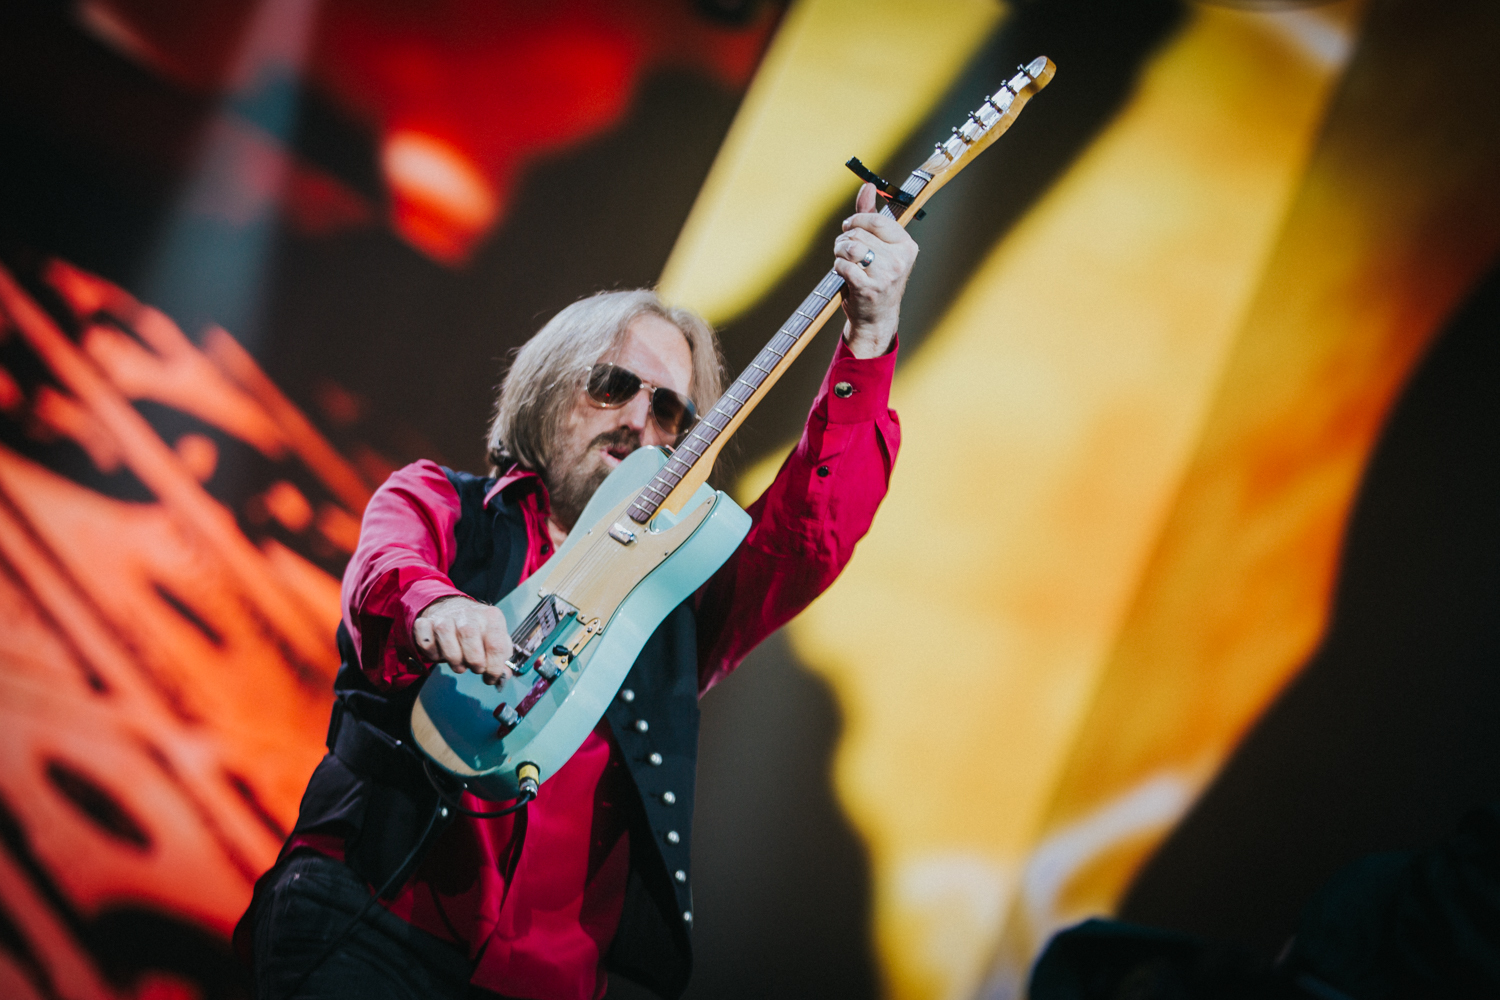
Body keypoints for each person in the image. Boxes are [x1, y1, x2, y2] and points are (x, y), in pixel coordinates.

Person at [237, 183, 918, 1000]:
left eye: (670, 411)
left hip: (549, 982)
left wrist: (869, 338)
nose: (639, 421)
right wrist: (441, 610)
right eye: (612, 384)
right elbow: (389, 575)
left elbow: (810, 535)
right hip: (368, 921)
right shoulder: (442, 501)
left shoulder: (681, 596)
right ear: (548, 390)